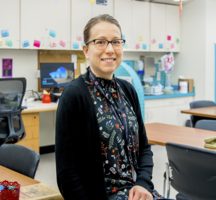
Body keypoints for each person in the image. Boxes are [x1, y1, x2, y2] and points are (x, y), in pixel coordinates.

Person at [55, 14, 164, 200]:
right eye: (100, 42)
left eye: (116, 42)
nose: (110, 49)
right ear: (86, 50)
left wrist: (143, 183)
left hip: (140, 193)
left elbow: (144, 148)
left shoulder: (127, 90)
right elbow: (67, 174)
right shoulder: (74, 95)